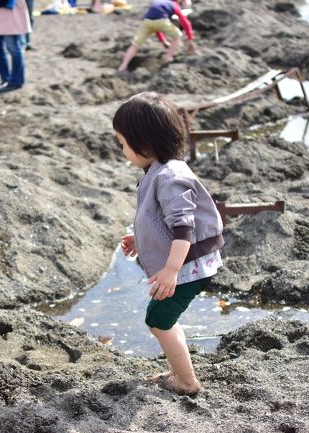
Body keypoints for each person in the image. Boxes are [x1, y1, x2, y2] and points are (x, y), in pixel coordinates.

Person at [113, 92, 224, 396]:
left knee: (159, 320)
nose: (122, 150)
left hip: (189, 265)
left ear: (144, 143)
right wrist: (141, 238)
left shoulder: (170, 176)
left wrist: (171, 270)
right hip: (185, 261)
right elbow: (162, 219)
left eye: (122, 143)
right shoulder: (158, 170)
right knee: (162, 319)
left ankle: (187, 382)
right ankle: (179, 369)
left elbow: (184, 226)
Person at [117, 0, 195, 73]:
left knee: (135, 44)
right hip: (161, 21)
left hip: (147, 21)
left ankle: (123, 66)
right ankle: (168, 58)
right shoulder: (174, 4)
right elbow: (185, 22)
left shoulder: (159, 2)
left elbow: (156, 24)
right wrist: (190, 39)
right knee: (177, 35)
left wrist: (163, 41)